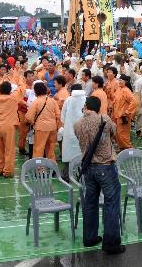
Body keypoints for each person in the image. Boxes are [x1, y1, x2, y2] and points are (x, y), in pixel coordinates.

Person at [73, 95, 124, 255]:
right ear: (98, 107)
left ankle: (90, 237)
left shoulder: (77, 124)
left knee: (90, 203)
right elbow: (114, 132)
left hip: (88, 168)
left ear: (86, 106)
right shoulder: (104, 119)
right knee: (111, 202)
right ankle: (111, 242)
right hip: (105, 166)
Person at [0, 80, 19, 178]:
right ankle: (8, 171)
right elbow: (21, 89)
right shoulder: (13, 98)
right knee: (9, 149)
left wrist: (1, 81)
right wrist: (18, 76)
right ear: (10, 90)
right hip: (8, 126)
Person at [25, 82, 60, 161]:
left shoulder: (36, 102)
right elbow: (58, 115)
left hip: (41, 128)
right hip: (52, 127)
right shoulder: (52, 100)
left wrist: (33, 122)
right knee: (50, 149)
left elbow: (28, 117)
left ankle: (39, 168)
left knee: (38, 149)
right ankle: (52, 166)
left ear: (36, 91)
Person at [60, 83, 86, 180]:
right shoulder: (86, 99)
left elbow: (62, 117)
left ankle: (66, 175)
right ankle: (82, 174)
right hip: (83, 132)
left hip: (70, 132)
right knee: (83, 153)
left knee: (68, 153)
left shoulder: (68, 100)